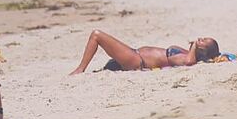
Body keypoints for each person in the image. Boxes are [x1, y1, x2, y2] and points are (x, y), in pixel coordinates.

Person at [69, 29, 220, 74]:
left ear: (202, 50)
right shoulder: (187, 54)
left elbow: (187, 63)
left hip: (136, 60)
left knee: (97, 35)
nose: (199, 38)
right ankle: (81, 68)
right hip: (134, 53)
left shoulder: (187, 59)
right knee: (98, 37)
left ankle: (80, 69)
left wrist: (193, 47)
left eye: (202, 41)